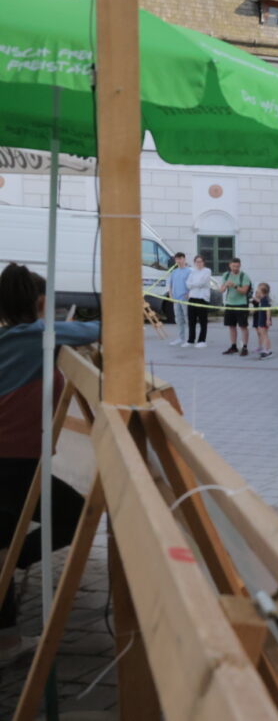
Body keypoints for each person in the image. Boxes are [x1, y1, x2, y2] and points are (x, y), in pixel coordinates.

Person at [0, 263, 97, 662]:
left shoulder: (11, 338)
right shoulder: (39, 335)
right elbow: (99, 331)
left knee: (5, 542)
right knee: (72, 515)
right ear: (40, 301)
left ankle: (7, 631)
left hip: (14, 458)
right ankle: (6, 641)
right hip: (12, 458)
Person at [220, 258, 252, 356]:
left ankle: (245, 347)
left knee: (243, 326)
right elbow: (221, 290)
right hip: (230, 303)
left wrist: (234, 286)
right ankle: (233, 346)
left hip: (241, 304)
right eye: (234, 266)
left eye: (237, 266)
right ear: (230, 265)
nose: (235, 268)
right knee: (231, 326)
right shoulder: (226, 275)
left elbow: (244, 291)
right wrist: (226, 285)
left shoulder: (244, 276)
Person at [185, 255, 213, 348]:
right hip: (192, 297)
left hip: (202, 298)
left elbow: (202, 283)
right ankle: (190, 340)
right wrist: (193, 285)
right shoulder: (192, 272)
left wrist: (193, 284)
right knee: (191, 320)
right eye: (197, 261)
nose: (198, 263)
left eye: (200, 261)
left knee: (202, 320)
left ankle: (202, 340)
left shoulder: (207, 271)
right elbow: (188, 284)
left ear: (203, 262)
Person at [168, 252, 190, 346]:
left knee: (187, 318)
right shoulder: (174, 271)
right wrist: (170, 294)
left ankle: (190, 339)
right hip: (176, 299)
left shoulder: (189, 271)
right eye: (177, 259)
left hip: (185, 299)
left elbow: (192, 284)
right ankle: (180, 338)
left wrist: (189, 294)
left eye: (180, 259)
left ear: (184, 259)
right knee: (178, 319)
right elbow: (170, 284)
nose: (179, 261)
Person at [251, 282, 274, 359]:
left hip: (264, 319)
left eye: (258, 289)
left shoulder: (265, 300)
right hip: (261, 319)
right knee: (263, 334)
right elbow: (260, 303)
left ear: (262, 291)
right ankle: (265, 349)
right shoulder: (263, 299)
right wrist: (255, 299)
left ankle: (267, 350)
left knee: (264, 335)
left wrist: (268, 320)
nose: (257, 290)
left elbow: (268, 310)